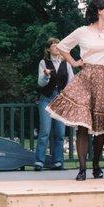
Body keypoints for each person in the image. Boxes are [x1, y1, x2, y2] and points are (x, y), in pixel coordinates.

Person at [46, 0, 104, 181]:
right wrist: (75, 62)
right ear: (99, 11)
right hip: (85, 76)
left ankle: (96, 165)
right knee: (83, 125)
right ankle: (82, 168)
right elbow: (61, 46)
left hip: (103, 78)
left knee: (101, 126)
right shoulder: (82, 31)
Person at [34, 38, 74, 171]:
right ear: (48, 49)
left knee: (60, 133)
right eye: (55, 46)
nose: (57, 48)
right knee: (45, 131)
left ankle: (57, 161)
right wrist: (46, 76)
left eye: (59, 46)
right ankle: (39, 161)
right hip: (46, 98)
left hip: (61, 99)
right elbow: (41, 83)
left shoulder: (66, 63)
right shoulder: (43, 62)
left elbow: (71, 82)